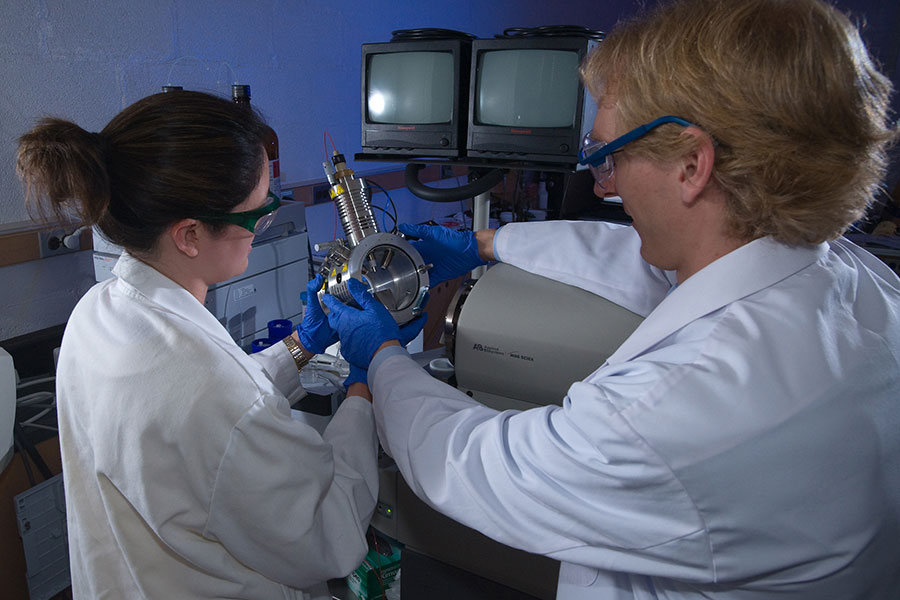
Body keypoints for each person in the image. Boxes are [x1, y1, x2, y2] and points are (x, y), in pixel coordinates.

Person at [320, 0, 900, 598]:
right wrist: (486, 244)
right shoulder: (859, 283)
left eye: (610, 155)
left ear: (693, 164)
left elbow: (474, 465)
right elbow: (657, 261)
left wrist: (383, 356)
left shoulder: (682, 405)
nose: (606, 184)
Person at [17, 91, 379, 599]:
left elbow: (212, 410)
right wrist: (364, 388)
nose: (262, 228)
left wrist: (302, 343)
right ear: (189, 234)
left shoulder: (96, 313)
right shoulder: (214, 395)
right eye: (257, 216)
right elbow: (332, 533)